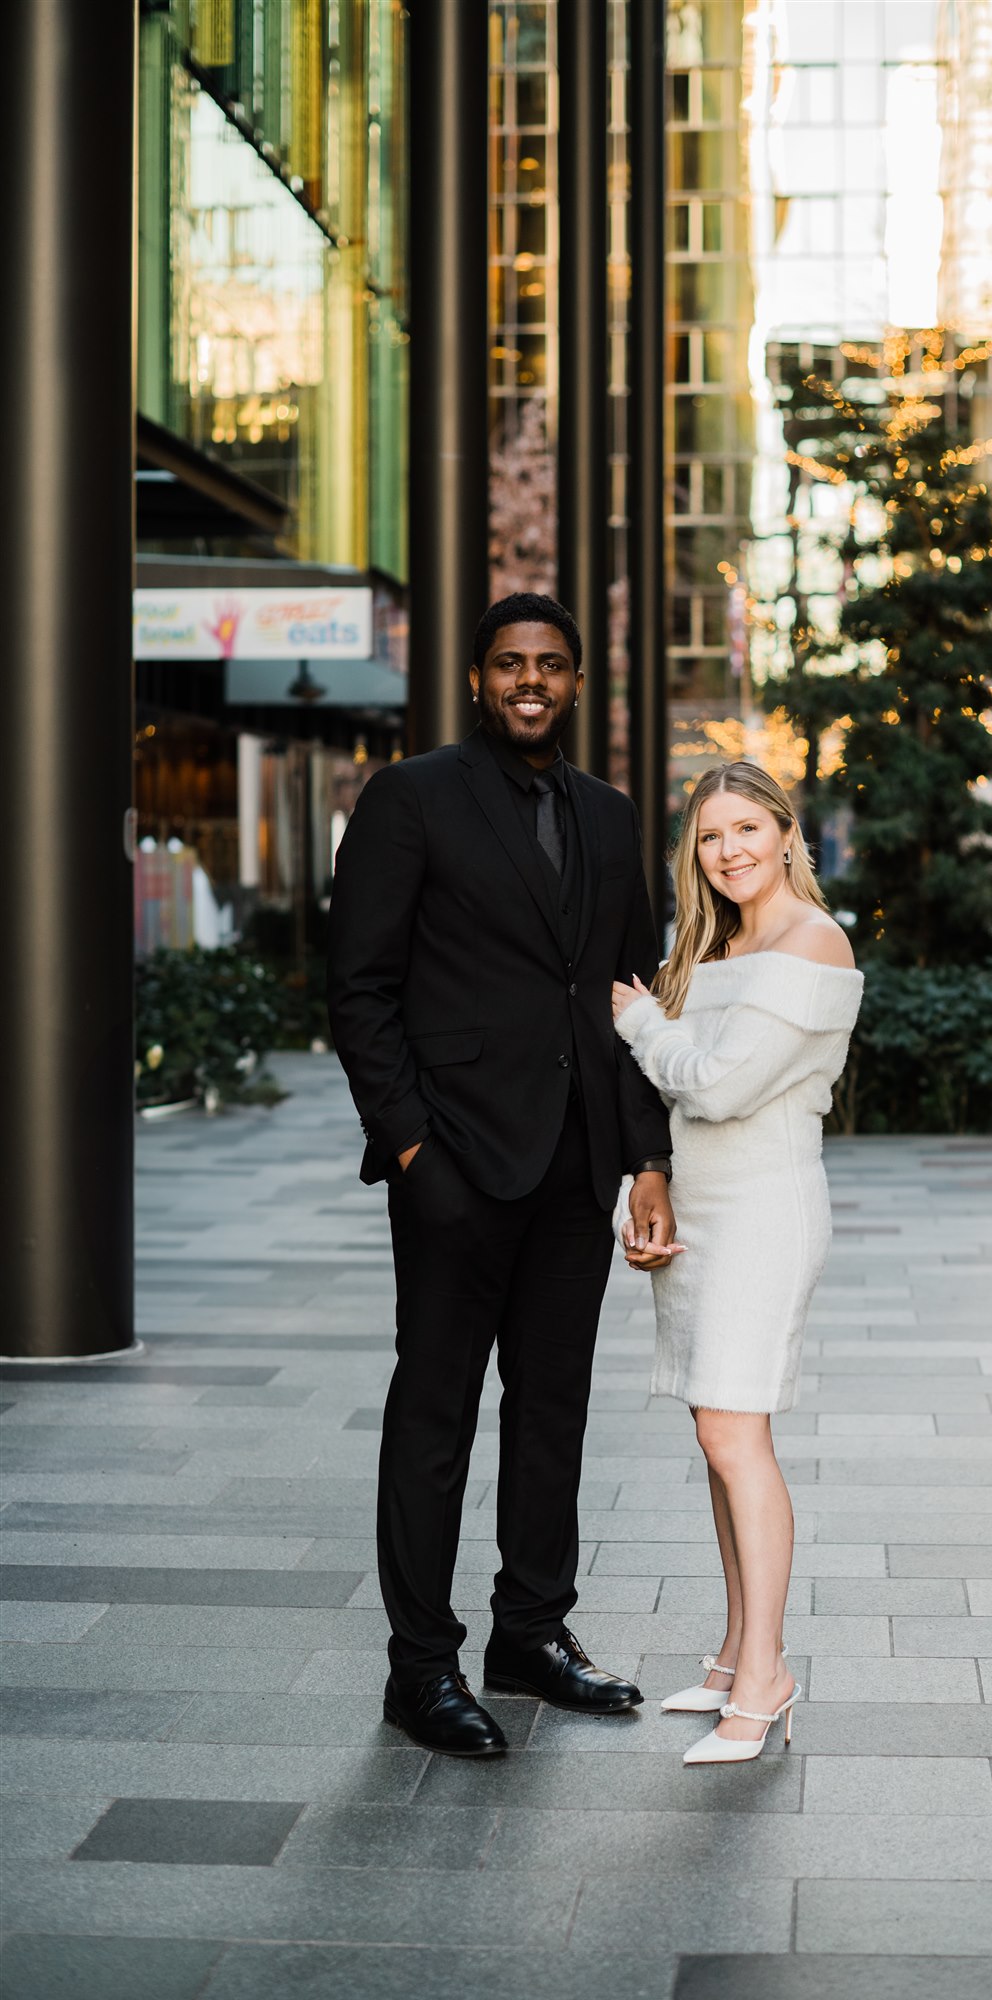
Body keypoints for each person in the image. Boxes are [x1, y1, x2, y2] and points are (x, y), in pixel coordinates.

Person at [327, 591, 679, 1758]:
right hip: (458, 1163)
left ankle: (530, 1631)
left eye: (554, 664)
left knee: (553, 1411)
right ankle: (417, 1667)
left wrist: (644, 1156)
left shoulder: (610, 812)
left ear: (578, 682)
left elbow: (625, 996)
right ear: (479, 677)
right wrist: (412, 1145)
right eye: (511, 663)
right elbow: (360, 986)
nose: (532, 680)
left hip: (576, 1163)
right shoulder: (413, 795)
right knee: (434, 1415)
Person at [611, 761, 862, 1767]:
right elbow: (683, 1103)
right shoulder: (712, 939)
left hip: (764, 1206)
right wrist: (654, 1183)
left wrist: (638, 1021)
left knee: (732, 1432)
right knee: (717, 1432)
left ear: (786, 830)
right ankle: (733, 1651)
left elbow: (711, 1087)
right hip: (704, 1207)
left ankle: (766, 1674)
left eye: (747, 828)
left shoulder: (813, 939)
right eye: (710, 836)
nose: (729, 851)